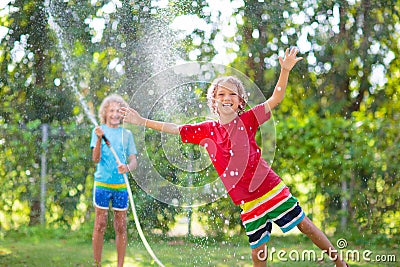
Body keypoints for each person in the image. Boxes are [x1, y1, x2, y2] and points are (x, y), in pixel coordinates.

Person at [120, 48, 348, 267]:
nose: (226, 97)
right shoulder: (207, 130)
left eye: (232, 94)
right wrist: (142, 121)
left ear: (240, 102)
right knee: (258, 254)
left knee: (305, 226)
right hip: (248, 202)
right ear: (214, 102)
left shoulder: (247, 120)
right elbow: (175, 128)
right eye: (221, 94)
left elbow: (275, 99)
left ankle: (339, 261)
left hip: (270, 188)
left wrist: (285, 70)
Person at [90, 94, 138, 267]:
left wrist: (127, 167)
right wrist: (97, 138)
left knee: (120, 227)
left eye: (118, 111)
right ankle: (97, 264)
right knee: (100, 224)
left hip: (121, 186)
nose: (115, 114)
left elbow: (134, 161)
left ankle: (120, 265)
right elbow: (95, 159)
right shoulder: (99, 131)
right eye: (111, 111)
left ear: (123, 113)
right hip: (102, 184)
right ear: (105, 112)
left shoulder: (127, 134)